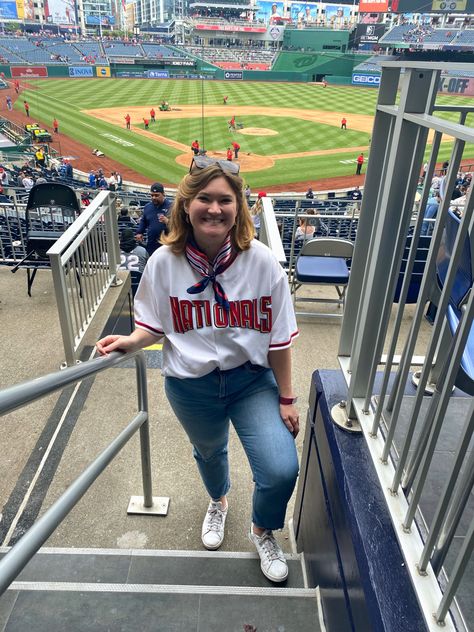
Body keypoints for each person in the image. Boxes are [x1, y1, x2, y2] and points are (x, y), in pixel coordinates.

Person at [96, 163, 299, 583]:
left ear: (238, 207)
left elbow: (279, 339)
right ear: (186, 206)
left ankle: (262, 529)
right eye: (204, 199)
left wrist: (286, 397)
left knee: (280, 468)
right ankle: (219, 502)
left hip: (251, 381)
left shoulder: (261, 262)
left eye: (225, 199)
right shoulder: (163, 262)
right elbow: (153, 320)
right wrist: (131, 342)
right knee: (209, 453)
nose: (214, 208)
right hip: (191, 384)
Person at [135, 182, 172, 255]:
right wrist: (139, 232)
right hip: (151, 245)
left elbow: (179, 226)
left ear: (163, 194)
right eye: (152, 195)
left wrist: (168, 222)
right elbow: (143, 221)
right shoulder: (147, 207)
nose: (154, 198)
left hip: (167, 245)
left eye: (157, 195)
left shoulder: (172, 207)